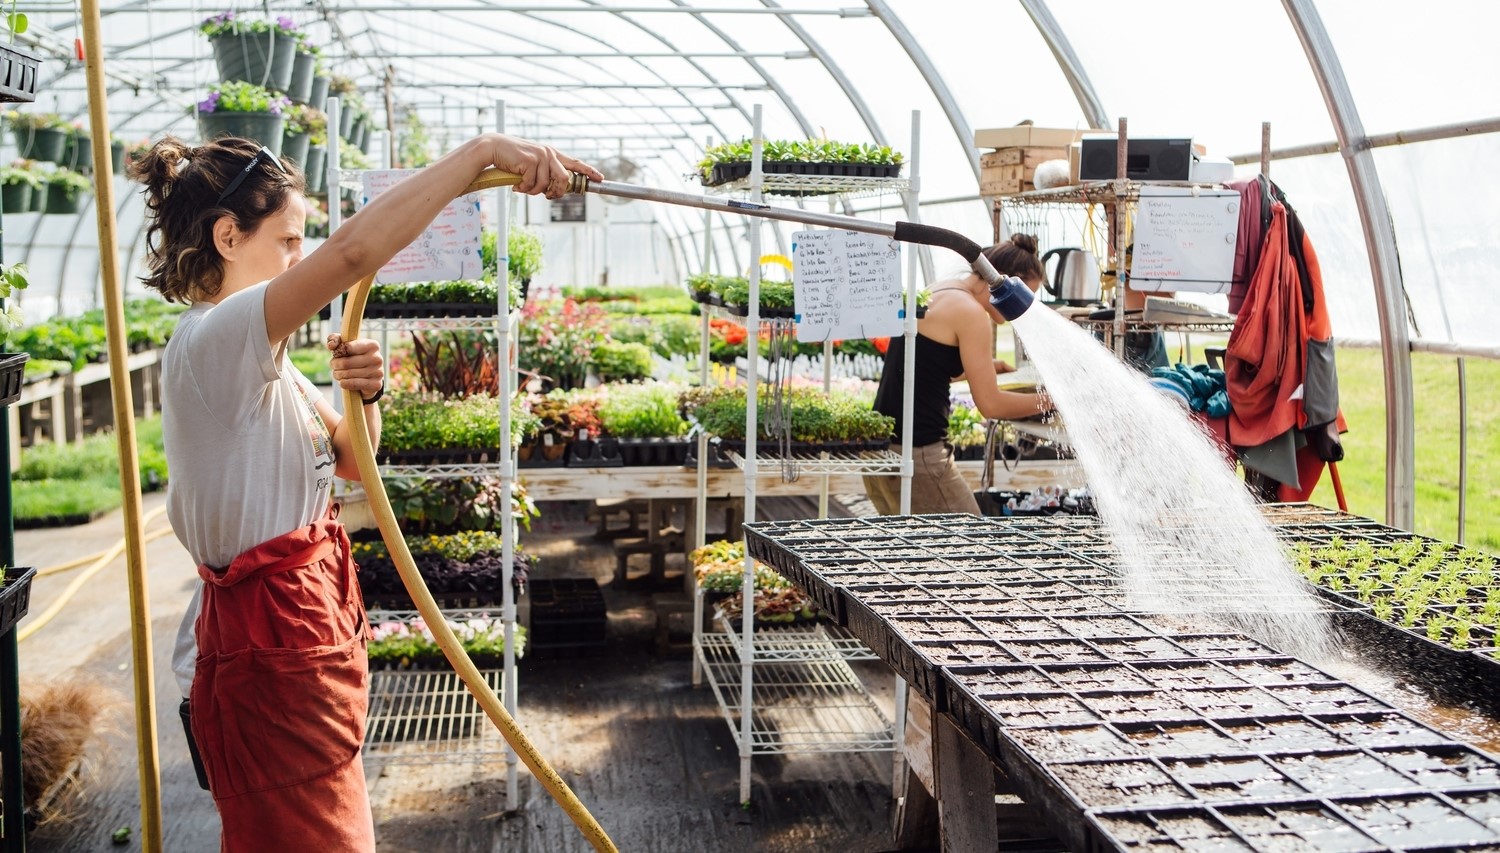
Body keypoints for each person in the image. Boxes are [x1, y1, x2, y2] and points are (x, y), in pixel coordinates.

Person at [131, 133, 601, 852]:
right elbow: (352, 256)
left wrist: (369, 393)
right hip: (270, 639)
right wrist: (479, 154)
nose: (300, 260)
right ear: (229, 235)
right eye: (289, 241)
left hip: (296, 627)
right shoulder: (216, 338)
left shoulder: (262, 360)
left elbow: (354, 460)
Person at [862, 234, 1052, 517]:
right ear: (1005, 280)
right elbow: (991, 405)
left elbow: (924, 368)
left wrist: (990, 366)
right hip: (918, 456)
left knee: (913, 553)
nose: (1021, 309)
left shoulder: (941, 290)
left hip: (880, 450)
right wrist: (1050, 402)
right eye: (1025, 296)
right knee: (973, 548)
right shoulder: (972, 313)